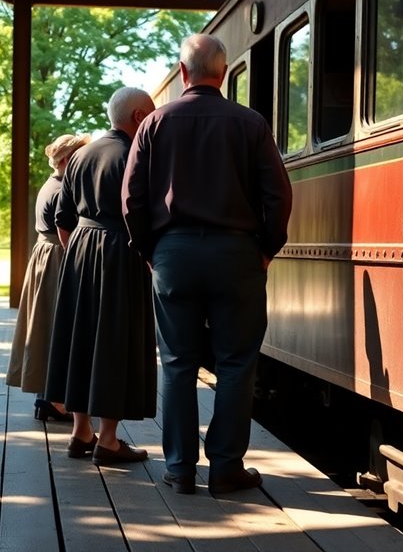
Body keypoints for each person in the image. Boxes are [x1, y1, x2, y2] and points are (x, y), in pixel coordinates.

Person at [122, 33, 293, 495]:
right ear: (223, 71)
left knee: (177, 363)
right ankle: (225, 468)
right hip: (237, 255)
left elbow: (132, 198)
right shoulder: (250, 123)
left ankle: (178, 469)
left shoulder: (154, 124)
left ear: (183, 72)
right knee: (237, 363)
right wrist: (266, 248)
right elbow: (278, 194)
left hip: (173, 255)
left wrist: (150, 250)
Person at [44, 87, 158, 466]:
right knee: (115, 341)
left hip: (80, 248)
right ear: (140, 116)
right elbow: (144, 215)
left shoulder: (79, 156)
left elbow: (63, 221)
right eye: (152, 114)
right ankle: (108, 440)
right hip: (119, 251)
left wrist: (79, 251)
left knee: (82, 339)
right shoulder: (136, 154)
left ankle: (81, 433)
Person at [7, 134, 90, 422]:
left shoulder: (50, 184)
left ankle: (48, 396)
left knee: (46, 324)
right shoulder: (61, 188)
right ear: (67, 160)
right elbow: (65, 226)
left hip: (46, 254)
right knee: (57, 326)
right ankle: (54, 399)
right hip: (57, 256)